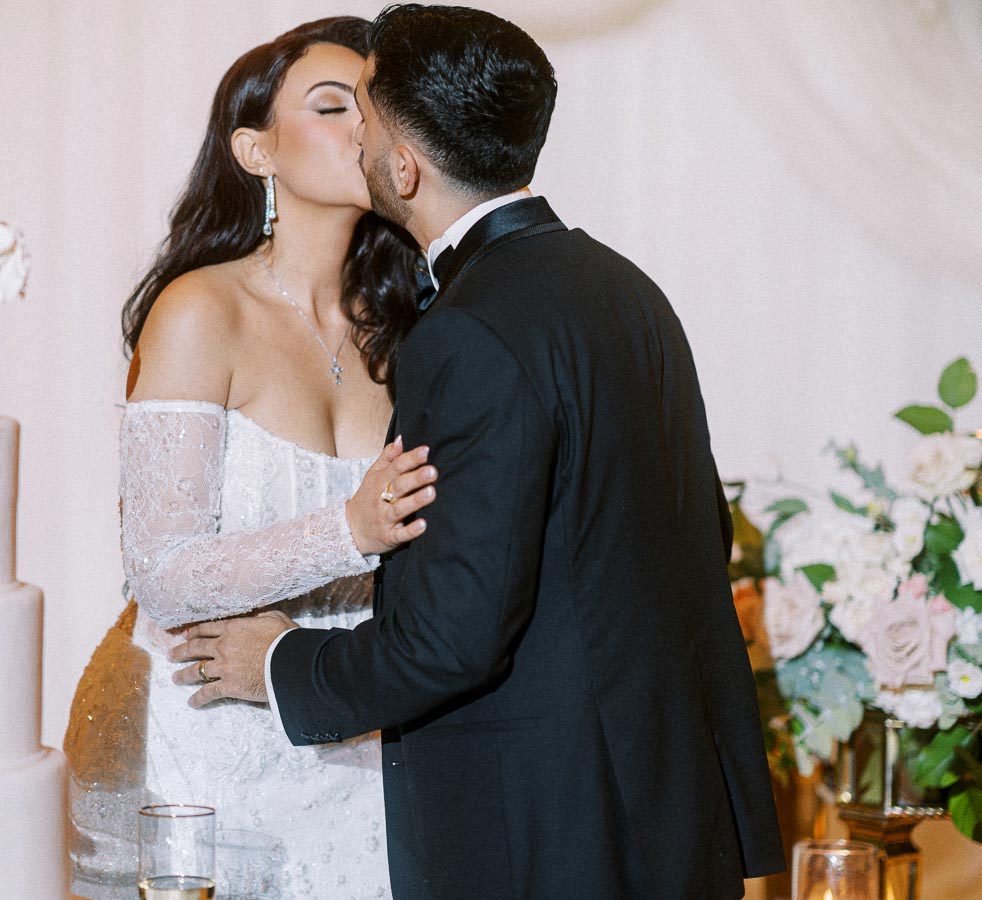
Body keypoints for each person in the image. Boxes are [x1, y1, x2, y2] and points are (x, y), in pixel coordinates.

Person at [171, 5, 786, 897]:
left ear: (405, 168)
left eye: (363, 118)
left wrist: (281, 662)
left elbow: (452, 638)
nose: (355, 142)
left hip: (545, 827)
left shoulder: (466, 332)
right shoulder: (626, 288)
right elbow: (693, 539)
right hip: (663, 808)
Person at [64, 16, 439, 899]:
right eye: (331, 105)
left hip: (355, 740)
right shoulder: (202, 311)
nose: (362, 127)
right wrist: (350, 530)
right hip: (201, 741)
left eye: (374, 107)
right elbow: (161, 574)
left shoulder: (410, 327)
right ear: (255, 150)